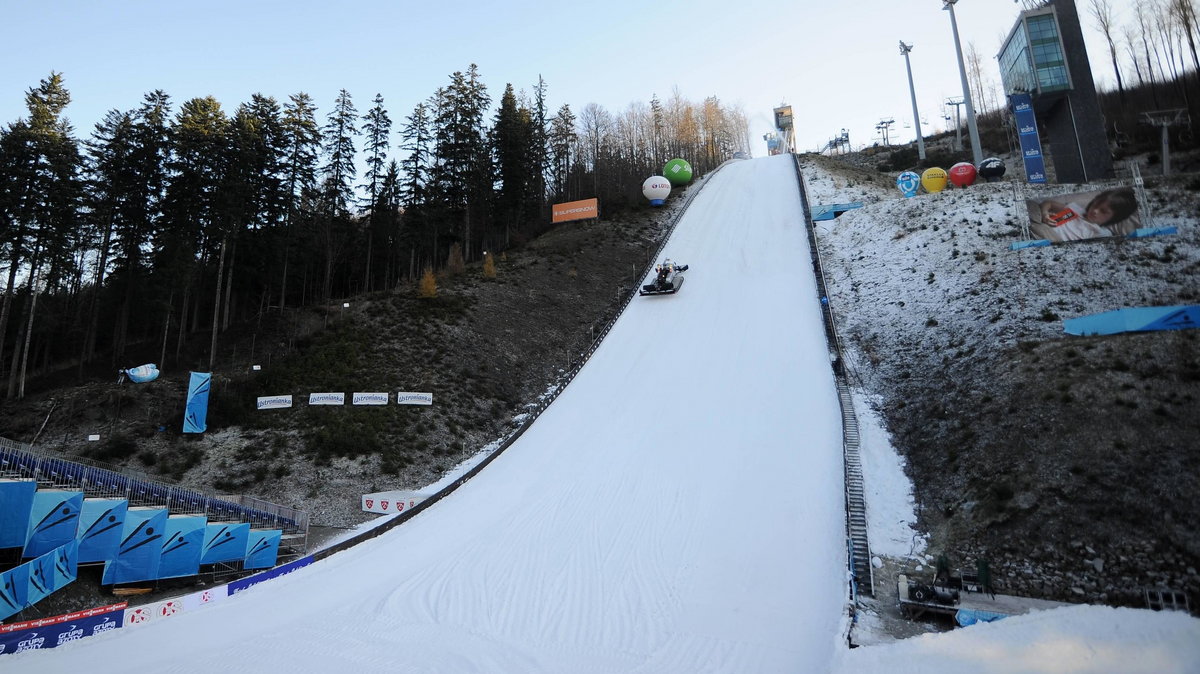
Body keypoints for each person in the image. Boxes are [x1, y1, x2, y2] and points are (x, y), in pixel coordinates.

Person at [1029, 187, 1139, 242]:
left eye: (1103, 211)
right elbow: (1048, 203)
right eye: (1097, 204)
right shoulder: (1075, 209)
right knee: (1031, 204)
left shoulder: (1099, 233)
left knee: (1040, 229)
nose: (1095, 210)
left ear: (1114, 218)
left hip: (1053, 240)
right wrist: (1045, 214)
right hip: (1042, 223)